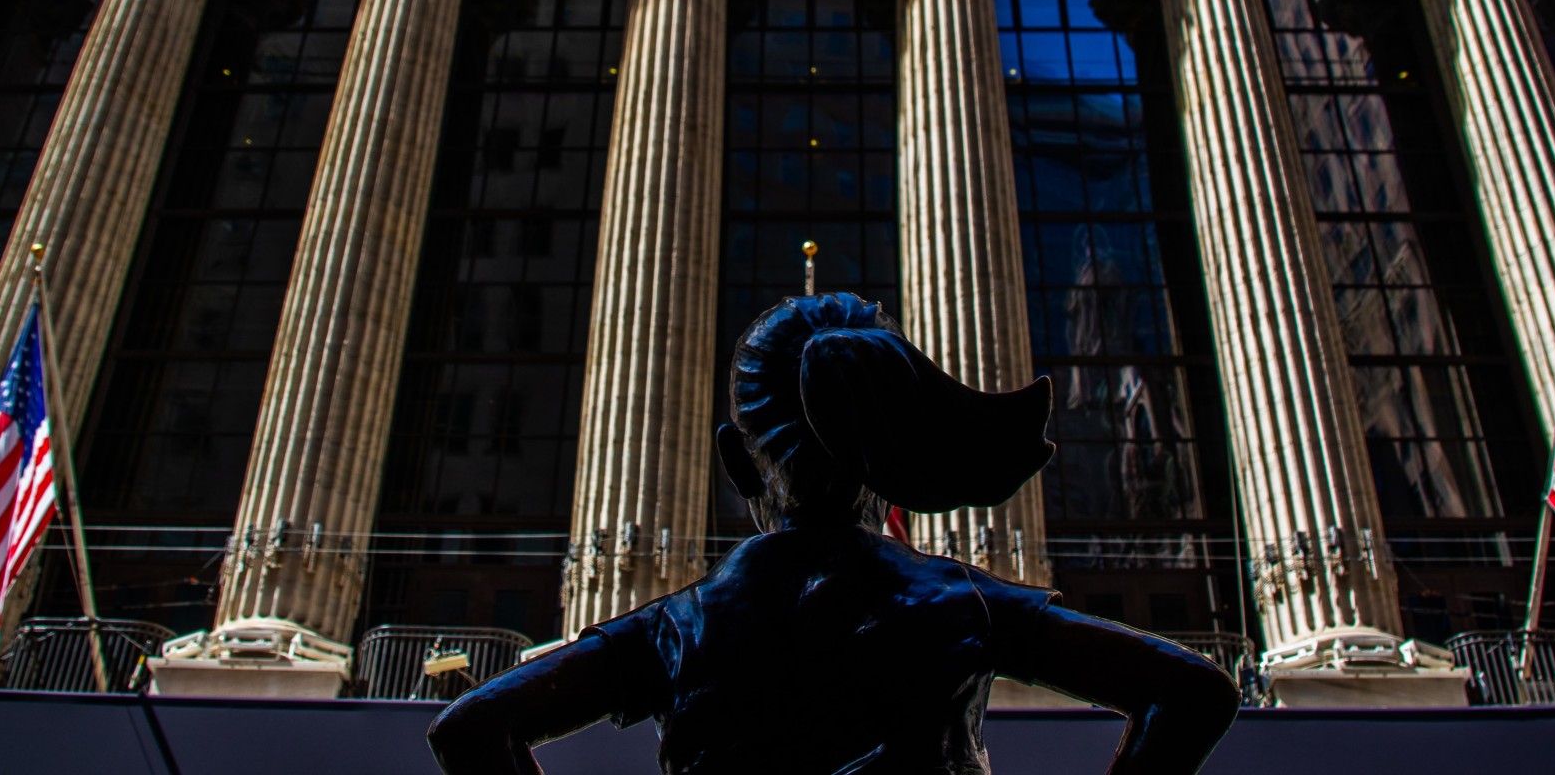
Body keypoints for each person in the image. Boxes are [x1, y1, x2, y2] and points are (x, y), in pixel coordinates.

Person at [429, 293, 1240, 775]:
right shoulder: (961, 605)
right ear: (891, 458)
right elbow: (1193, 689)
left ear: (735, 466)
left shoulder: (678, 628)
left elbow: (471, 727)